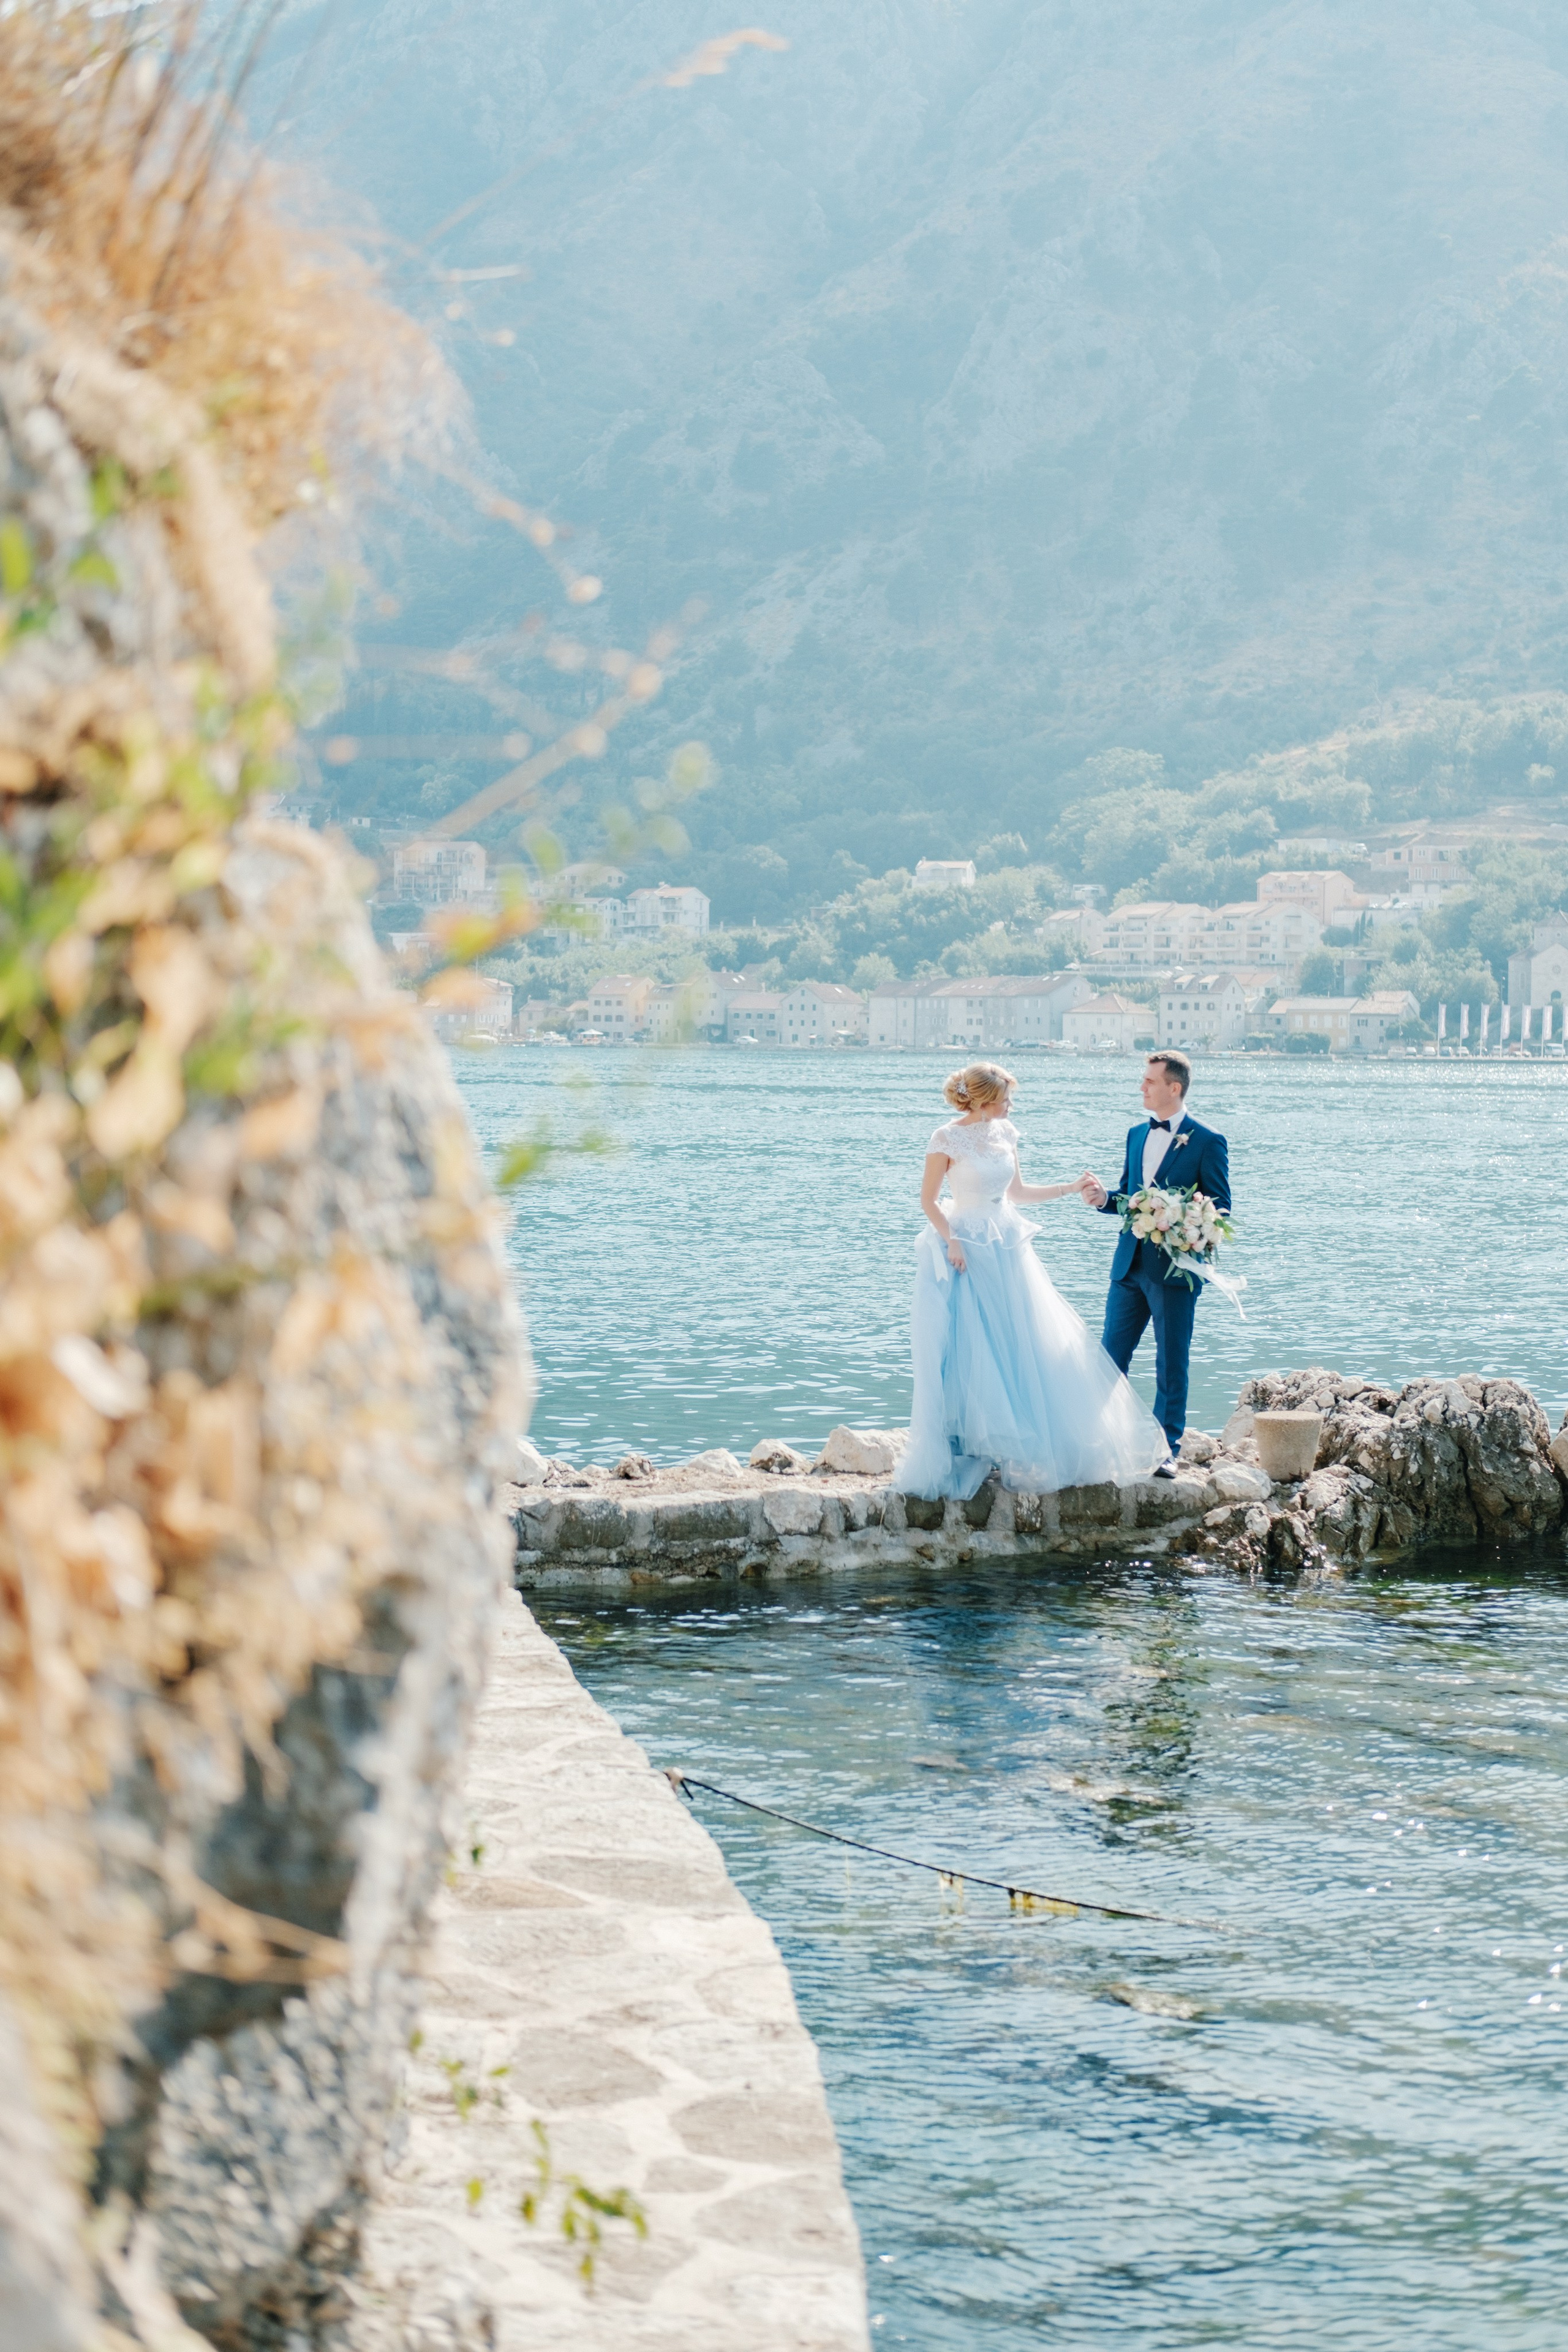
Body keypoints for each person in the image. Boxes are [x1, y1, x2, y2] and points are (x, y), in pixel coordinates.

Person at [896, 1061, 1168, 1500]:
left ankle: (1019, 1445)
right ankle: (967, 1445)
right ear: (984, 1100)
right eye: (1006, 1098)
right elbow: (928, 1201)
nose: (1011, 1105)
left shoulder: (1007, 1133)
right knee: (971, 1345)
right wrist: (952, 1242)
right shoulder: (945, 1137)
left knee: (1018, 1341)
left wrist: (1069, 1187)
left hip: (1006, 1244)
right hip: (966, 1245)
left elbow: (1017, 1193)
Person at [1082, 1050, 1231, 1476]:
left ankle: (1167, 1449)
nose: (1142, 1087)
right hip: (1128, 1266)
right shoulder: (1135, 1134)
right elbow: (1131, 1198)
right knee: (1111, 1357)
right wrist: (1103, 1200)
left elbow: (1219, 1209)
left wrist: (1182, 1223)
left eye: (1149, 1081)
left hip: (1176, 1271)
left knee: (1171, 1360)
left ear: (1174, 1088)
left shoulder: (1207, 1140)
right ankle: (1098, 1439)